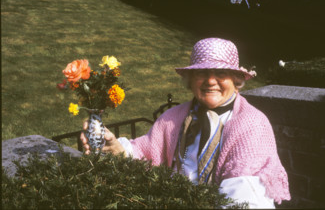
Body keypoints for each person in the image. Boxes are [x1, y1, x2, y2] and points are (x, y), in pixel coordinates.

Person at [81, 38, 291, 208]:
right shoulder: (174, 117)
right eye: (201, 73)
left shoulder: (251, 125)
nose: (210, 81)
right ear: (190, 80)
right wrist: (116, 148)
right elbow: (146, 151)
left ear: (236, 80)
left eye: (220, 73)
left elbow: (242, 199)